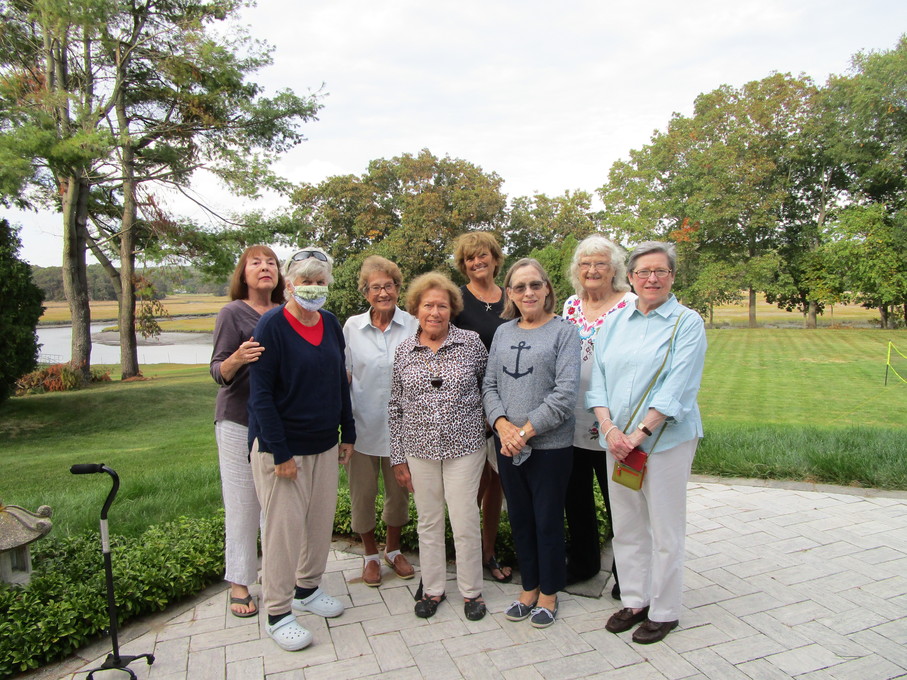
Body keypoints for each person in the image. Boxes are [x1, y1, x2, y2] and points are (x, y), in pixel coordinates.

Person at [586, 241, 706, 645]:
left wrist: (638, 435)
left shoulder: (686, 323)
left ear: (672, 276)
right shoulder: (614, 323)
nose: (651, 279)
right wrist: (609, 430)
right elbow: (597, 379)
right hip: (617, 441)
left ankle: (665, 609)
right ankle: (635, 599)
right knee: (626, 523)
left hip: (664, 442)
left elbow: (679, 386)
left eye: (660, 271)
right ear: (631, 277)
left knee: (665, 528)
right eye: (643, 272)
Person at [247, 246, 355, 652]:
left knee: (317, 524)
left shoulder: (330, 323)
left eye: (320, 281)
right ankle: (276, 612)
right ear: (289, 284)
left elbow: (339, 382)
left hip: (325, 442)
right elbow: (260, 397)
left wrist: (349, 433)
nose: (313, 288)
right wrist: (280, 453)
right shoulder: (271, 326)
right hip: (283, 448)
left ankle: (307, 588)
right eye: (306, 281)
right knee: (283, 532)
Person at [482, 258, 580, 629]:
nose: (528, 293)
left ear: (547, 289)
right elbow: (489, 385)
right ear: (510, 293)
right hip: (508, 446)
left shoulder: (565, 332)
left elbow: (565, 393)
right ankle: (529, 587)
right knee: (520, 519)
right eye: (520, 287)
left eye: (535, 285)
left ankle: (550, 593)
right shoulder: (504, 333)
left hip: (549, 448)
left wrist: (523, 433)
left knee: (547, 521)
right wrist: (503, 425)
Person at [388, 272, 488, 622]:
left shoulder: (472, 342)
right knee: (429, 522)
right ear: (416, 308)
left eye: (442, 305)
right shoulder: (404, 350)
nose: (435, 311)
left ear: (452, 309)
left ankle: (471, 591)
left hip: (466, 448)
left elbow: (486, 389)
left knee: (464, 520)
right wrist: (398, 458)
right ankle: (432, 589)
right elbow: (395, 406)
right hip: (419, 449)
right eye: (428, 305)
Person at [210, 245, 284, 618]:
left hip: (277, 422)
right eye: (255, 263)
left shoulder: (288, 313)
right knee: (242, 503)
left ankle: (276, 576)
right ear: (243, 273)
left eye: (271, 262)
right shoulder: (231, 313)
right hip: (239, 419)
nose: (264, 267)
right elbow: (218, 371)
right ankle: (240, 581)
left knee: (276, 503)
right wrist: (237, 358)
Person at [562, 235, 635, 591]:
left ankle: (629, 573)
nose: (592, 270)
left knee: (621, 499)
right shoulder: (570, 305)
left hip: (615, 422)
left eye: (600, 263)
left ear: (615, 269)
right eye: (585, 264)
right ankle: (584, 563)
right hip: (571, 419)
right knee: (575, 500)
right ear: (577, 270)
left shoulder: (631, 304)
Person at [343, 256, 418, 587]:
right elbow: (345, 376)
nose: (383, 292)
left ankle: (393, 549)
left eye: (389, 285)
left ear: (398, 288)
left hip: (404, 429)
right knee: (362, 494)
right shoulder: (351, 328)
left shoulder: (414, 325)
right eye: (376, 287)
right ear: (365, 292)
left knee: (399, 494)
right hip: (362, 427)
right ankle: (370, 555)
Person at [451, 231, 512, 584]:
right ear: (464, 264)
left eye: (483, 255)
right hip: (469, 405)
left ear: (494, 257)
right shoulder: (457, 301)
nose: (478, 262)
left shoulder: (510, 297)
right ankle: (465, 555)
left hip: (507, 404)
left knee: (498, 481)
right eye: (470, 258)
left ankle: (488, 552)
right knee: (471, 484)